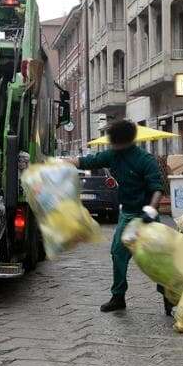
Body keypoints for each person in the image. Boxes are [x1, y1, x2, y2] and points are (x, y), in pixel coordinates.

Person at [67, 120, 164, 313]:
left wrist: (151, 210)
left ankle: (169, 296)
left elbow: (157, 189)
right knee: (118, 253)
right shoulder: (113, 155)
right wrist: (60, 162)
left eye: (114, 141)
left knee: (157, 259)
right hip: (128, 215)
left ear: (123, 141)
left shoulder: (145, 160)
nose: (111, 144)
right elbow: (87, 161)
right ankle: (118, 296)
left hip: (147, 215)